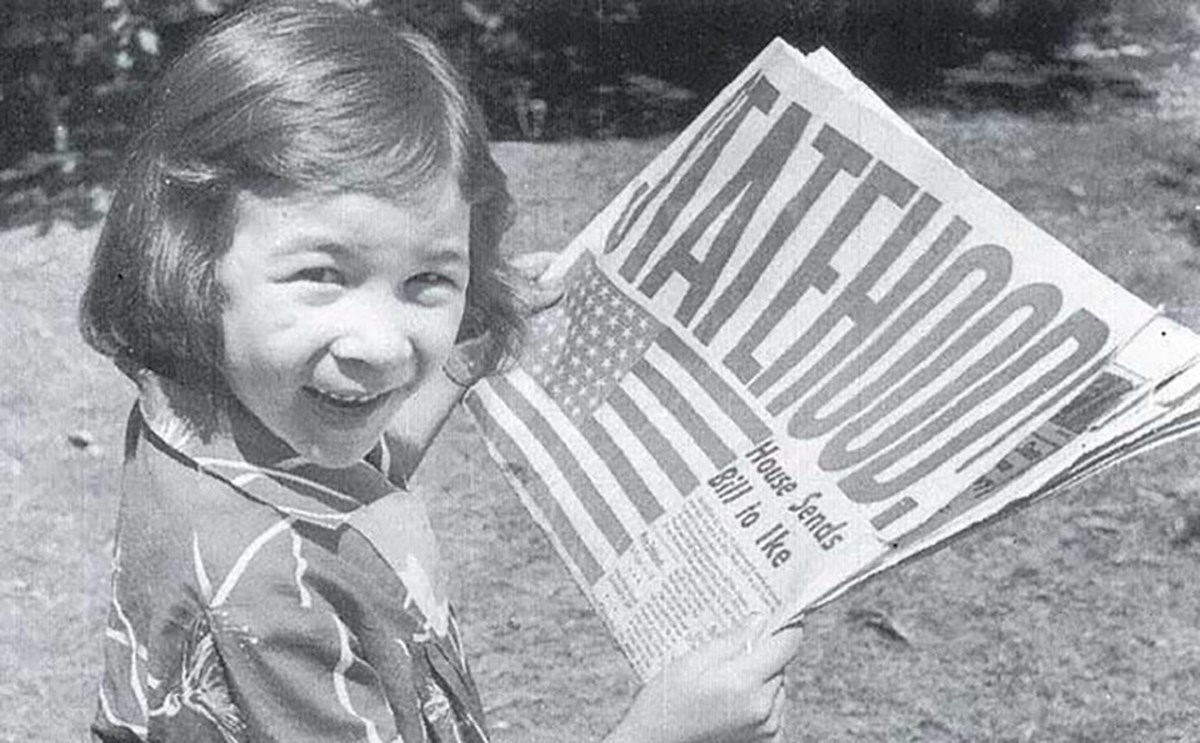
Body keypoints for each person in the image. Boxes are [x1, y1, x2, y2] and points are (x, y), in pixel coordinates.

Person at [79, 2, 803, 741]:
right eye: (324, 273)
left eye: (428, 280)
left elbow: (338, 477)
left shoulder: (201, 416)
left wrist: (462, 364)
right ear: (191, 259)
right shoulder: (276, 602)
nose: (383, 346)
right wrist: (660, 731)